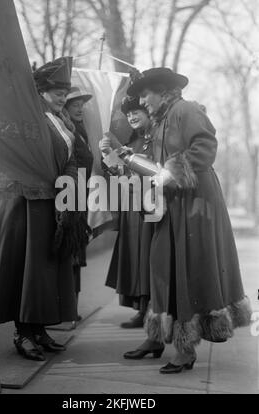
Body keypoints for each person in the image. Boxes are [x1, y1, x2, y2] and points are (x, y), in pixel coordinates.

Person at [124, 67, 252, 373]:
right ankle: (156, 337)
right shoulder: (160, 119)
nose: (143, 101)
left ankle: (185, 349)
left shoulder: (186, 110)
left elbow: (205, 148)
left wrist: (171, 172)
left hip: (194, 202)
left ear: (162, 91)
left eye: (146, 95)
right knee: (161, 267)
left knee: (186, 270)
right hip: (170, 203)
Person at [0, 57, 80, 361]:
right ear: (41, 91)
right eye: (57, 91)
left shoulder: (64, 122)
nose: (62, 97)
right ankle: (23, 333)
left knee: (42, 272)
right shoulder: (28, 120)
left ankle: (38, 329)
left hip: (50, 203)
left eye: (65, 92)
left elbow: (71, 157)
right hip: (23, 207)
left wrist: (66, 181)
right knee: (26, 269)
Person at [99, 97, 159, 338]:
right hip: (132, 205)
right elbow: (120, 171)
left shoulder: (155, 137)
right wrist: (108, 155)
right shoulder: (132, 139)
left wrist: (129, 160)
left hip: (151, 205)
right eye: (129, 113)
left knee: (148, 256)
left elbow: (156, 170)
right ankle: (141, 308)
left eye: (137, 112)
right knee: (135, 256)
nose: (132, 117)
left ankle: (151, 308)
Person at [65, 86, 94, 322]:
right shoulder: (65, 131)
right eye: (75, 105)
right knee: (70, 253)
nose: (80, 109)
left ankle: (71, 309)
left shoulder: (81, 131)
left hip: (81, 198)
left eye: (81, 106)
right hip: (68, 198)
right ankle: (66, 310)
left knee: (77, 255)